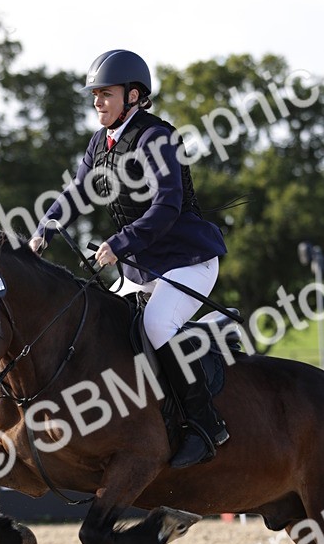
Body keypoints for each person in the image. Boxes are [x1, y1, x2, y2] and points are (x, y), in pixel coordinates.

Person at [30, 49, 229, 468]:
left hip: (187, 262)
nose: (97, 102)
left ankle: (206, 425)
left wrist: (119, 243)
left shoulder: (157, 137)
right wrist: (46, 226)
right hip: (143, 269)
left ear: (134, 95)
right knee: (109, 327)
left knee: (156, 325)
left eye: (105, 94)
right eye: (95, 95)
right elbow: (79, 192)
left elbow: (168, 205)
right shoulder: (100, 144)